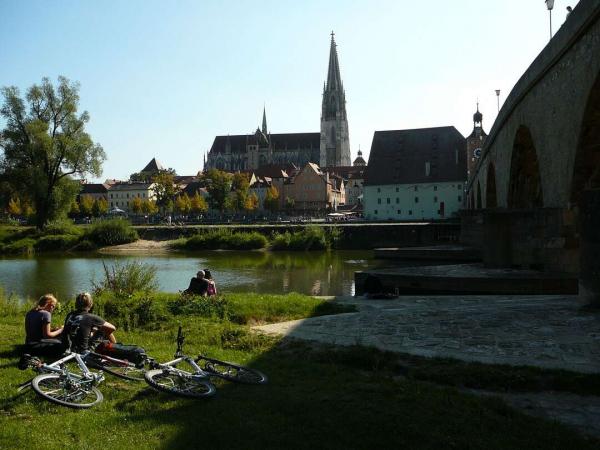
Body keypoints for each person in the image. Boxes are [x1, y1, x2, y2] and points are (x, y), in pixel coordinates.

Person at [22, 294, 65, 359]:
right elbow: (47, 336)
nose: (53, 309)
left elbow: (37, 330)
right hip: (36, 346)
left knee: (57, 338)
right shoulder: (46, 314)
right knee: (61, 343)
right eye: (53, 306)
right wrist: (61, 330)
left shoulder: (30, 312)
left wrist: (55, 329)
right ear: (49, 305)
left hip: (28, 344)